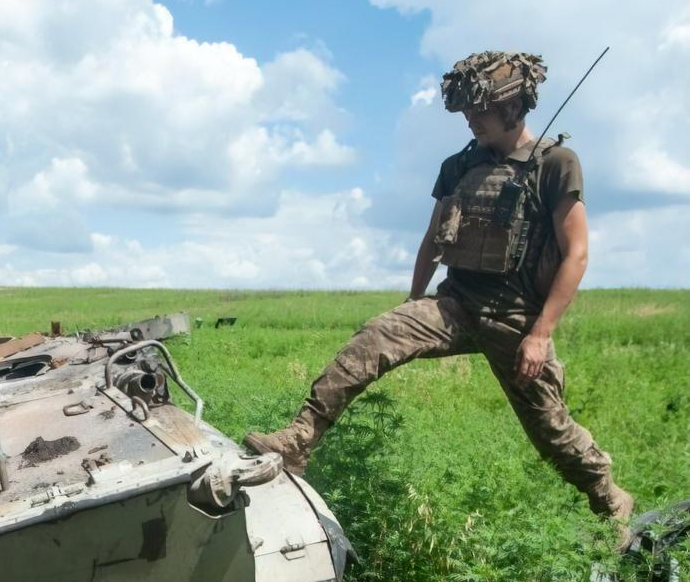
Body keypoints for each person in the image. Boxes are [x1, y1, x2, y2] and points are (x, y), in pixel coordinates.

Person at [244, 50, 633, 525]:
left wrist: (541, 333)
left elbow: (577, 254)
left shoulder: (556, 164)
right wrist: (411, 306)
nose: (470, 120)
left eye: (479, 110)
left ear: (512, 108)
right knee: (373, 338)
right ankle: (299, 439)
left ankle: (609, 498)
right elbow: (432, 239)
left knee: (550, 429)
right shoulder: (458, 166)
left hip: (516, 318)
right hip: (456, 303)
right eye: (466, 111)